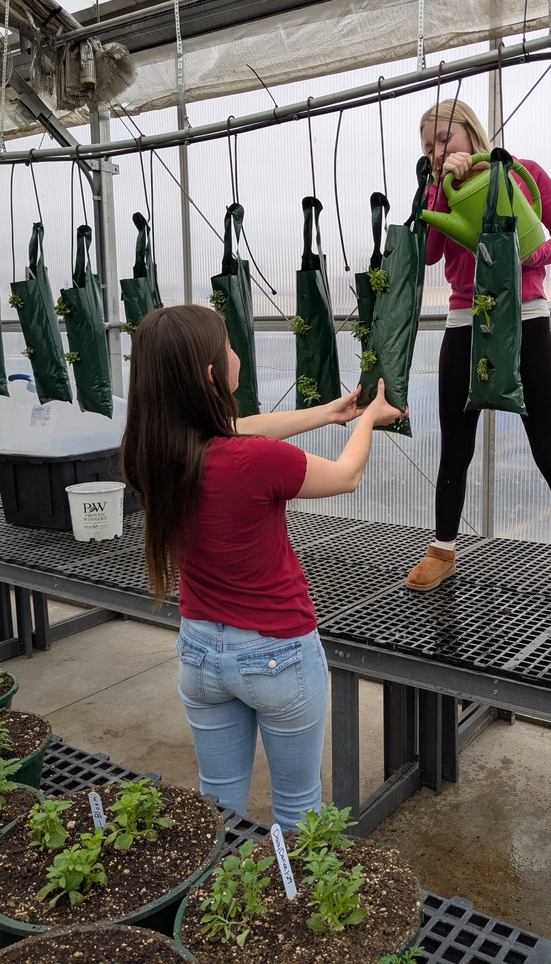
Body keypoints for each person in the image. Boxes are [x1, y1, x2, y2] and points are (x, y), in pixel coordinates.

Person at [121, 304, 404, 828]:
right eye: (228, 346)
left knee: (216, 808)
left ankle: (219, 902)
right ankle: (297, 908)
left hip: (200, 654)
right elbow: (345, 475)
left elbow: (234, 425)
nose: (236, 354)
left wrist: (327, 413)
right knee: (299, 809)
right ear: (211, 374)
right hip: (278, 656)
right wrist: (368, 418)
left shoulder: (150, 452)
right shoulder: (253, 461)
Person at [405, 99, 551, 611]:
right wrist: (436, 188)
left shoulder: (522, 173)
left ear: (470, 135)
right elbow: (428, 253)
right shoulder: (439, 190)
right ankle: (444, 550)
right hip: (462, 323)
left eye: (443, 141)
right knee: (456, 445)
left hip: (526, 320)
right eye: (427, 145)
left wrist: (528, 254)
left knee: (547, 445)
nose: (435, 151)